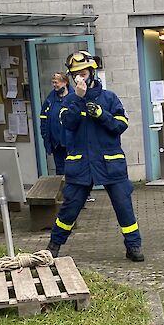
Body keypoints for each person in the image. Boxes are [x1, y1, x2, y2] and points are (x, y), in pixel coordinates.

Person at [48, 51, 144, 262]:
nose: (78, 78)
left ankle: (133, 246)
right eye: (75, 74)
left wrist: (102, 115)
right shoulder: (70, 100)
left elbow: (121, 125)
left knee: (123, 206)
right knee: (69, 209)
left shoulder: (109, 98)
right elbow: (67, 124)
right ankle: (53, 246)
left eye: (82, 72)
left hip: (110, 165)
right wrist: (79, 100)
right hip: (81, 166)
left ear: (92, 72)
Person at [40, 70, 70, 175]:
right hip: (56, 144)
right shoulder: (50, 98)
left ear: (65, 82)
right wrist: (45, 135)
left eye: (56, 82)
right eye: (53, 82)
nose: (54, 85)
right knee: (60, 172)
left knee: (72, 170)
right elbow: (43, 117)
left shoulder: (73, 97)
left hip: (71, 144)